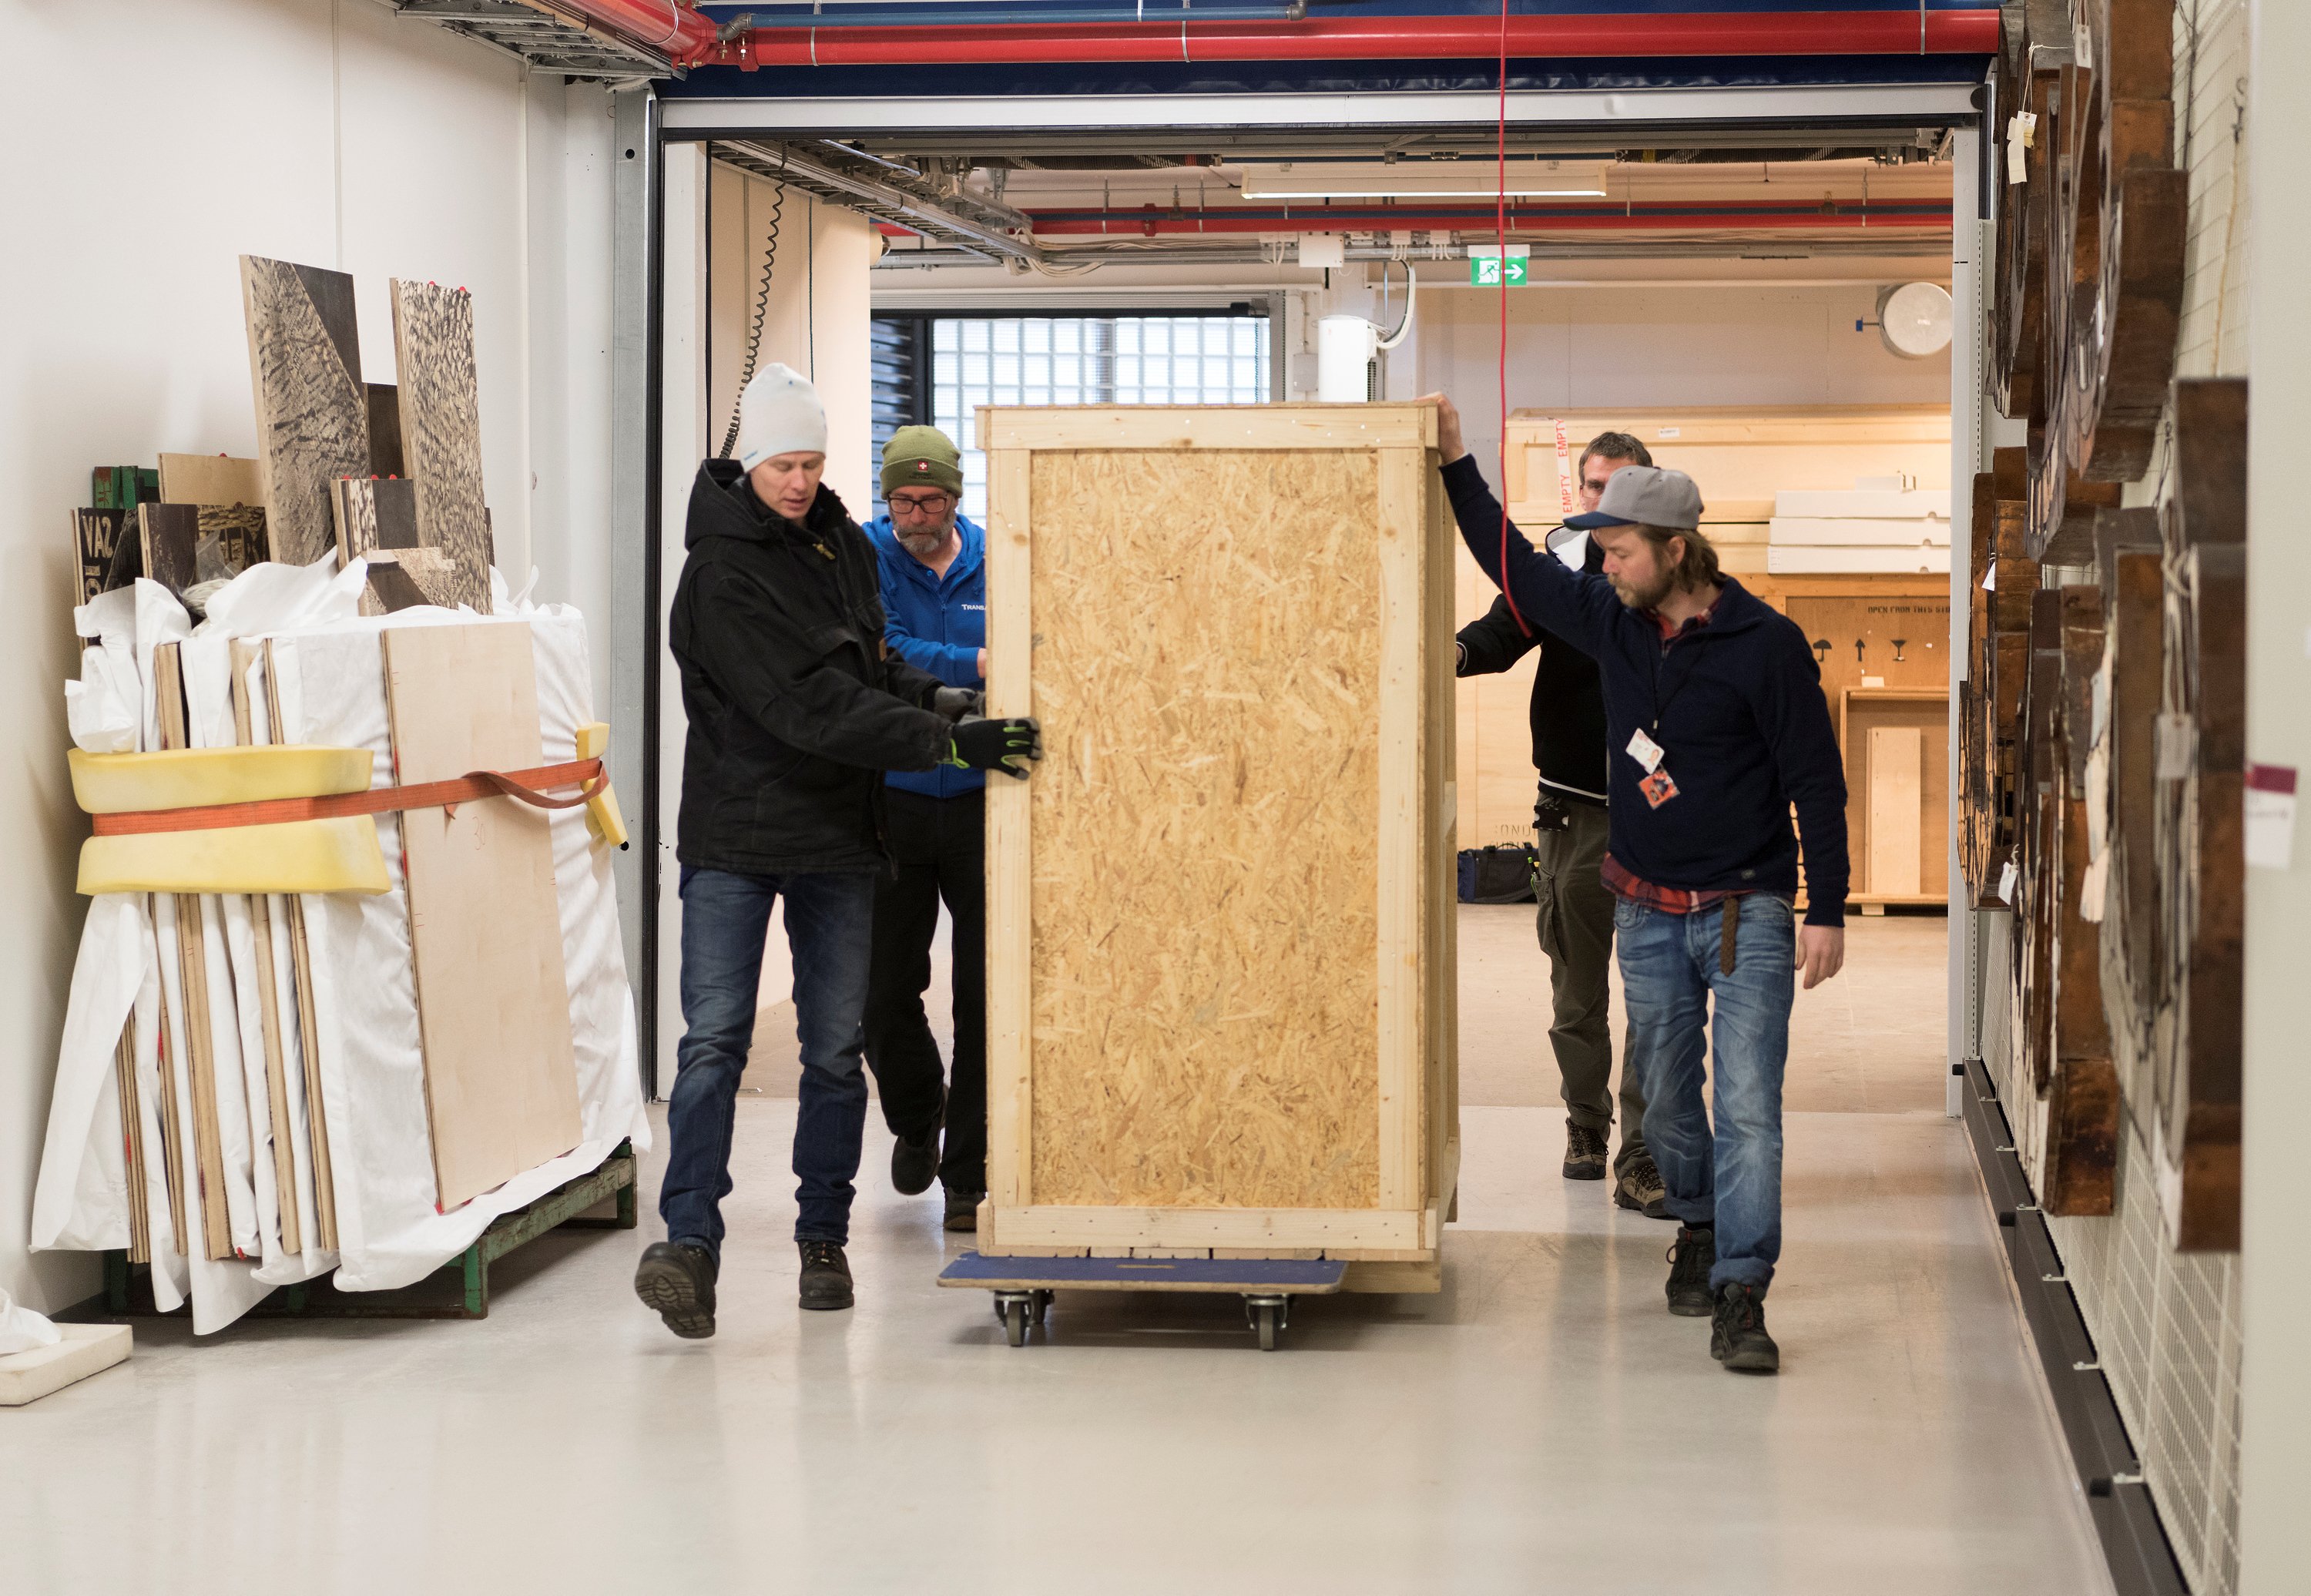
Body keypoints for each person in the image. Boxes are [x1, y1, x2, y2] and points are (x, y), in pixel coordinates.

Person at [1427, 392, 1848, 1376]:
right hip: (1647, 902)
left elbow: (1816, 781)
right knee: (1665, 1103)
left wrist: (1826, 907)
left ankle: (1741, 1286)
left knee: (1748, 1103)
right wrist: (1456, 462)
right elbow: (1516, 567)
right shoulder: (1612, 621)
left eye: (1617, 550)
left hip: (1745, 908)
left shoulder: (1766, 645)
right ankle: (1698, 1224)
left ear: (1674, 549)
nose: (1602, 564)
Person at [636, 365, 1043, 1336]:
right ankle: (689, 1242)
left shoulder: (841, 547)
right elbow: (804, 704)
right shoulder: (719, 574)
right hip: (738, 838)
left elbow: (872, 662)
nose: (800, 480)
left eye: (813, 462)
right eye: (784, 462)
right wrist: (945, 741)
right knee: (713, 1042)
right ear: (750, 460)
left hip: (837, 836)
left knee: (832, 1050)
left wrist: (939, 698)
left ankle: (824, 1237)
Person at [1455, 431, 1667, 1217]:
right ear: (1579, 493)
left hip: (1657, 820)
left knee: (1657, 997)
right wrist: (1453, 651)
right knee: (1576, 997)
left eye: (1621, 485)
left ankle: (1642, 1152)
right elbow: (1502, 630)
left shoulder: (1673, 580)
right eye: (1594, 485)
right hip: (1573, 814)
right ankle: (1586, 1124)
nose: (1604, 499)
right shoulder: (1562, 571)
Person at [860, 425, 991, 1232]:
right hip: (896, 799)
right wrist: (975, 663)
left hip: (984, 801)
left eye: (930, 500)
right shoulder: (866, 555)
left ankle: (969, 1173)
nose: (915, 516)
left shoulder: (998, 559)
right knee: (881, 993)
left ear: (954, 497)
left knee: (984, 993)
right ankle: (919, 1113)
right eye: (902, 501)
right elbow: (883, 651)